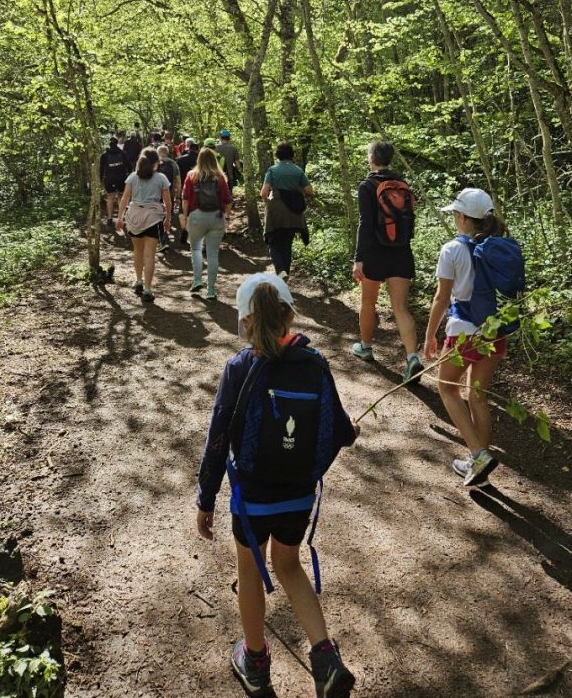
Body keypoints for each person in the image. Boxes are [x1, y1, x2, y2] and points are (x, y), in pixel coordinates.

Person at [196, 274, 358, 698]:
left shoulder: (239, 367)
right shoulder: (316, 363)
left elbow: (217, 438)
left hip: (252, 498)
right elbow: (338, 429)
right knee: (289, 565)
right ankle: (325, 658)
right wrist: (351, 431)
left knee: (251, 570)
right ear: (290, 314)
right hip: (298, 494)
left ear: (245, 321)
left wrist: (206, 497)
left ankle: (255, 663)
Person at [423, 188, 522, 486]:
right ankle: (478, 469)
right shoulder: (499, 246)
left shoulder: (452, 250)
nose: (454, 217)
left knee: (447, 390)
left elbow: (441, 298)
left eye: (455, 213)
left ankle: (479, 454)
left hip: (464, 333)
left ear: (463, 217)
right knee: (477, 395)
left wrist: (429, 336)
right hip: (494, 331)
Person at [351, 141, 423, 385]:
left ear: (371, 157)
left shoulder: (367, 186)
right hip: (401, 250)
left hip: (374, 253)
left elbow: (365, 223)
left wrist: (358, 258)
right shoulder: (403, 185)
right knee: (400, 307)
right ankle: (412, 357)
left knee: (368, 302)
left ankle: (366, 347)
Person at [116, 148, 172, 302]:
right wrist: (168, 218)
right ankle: (148, 289)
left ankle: (138, 281)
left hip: (134, 217)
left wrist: (119, 218)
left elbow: (125, 199)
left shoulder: (132, 177)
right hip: (153, 218)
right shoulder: (161, 178)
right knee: (150, 255)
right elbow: (167, 201)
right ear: (156, 163)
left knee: (138, 251)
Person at [182, 147, 231, 300]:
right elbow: (227, 200)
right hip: (216, 217)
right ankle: (211, 290)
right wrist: (226, 217)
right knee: (212, 254)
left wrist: (185, 216)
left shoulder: (191, 176)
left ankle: (197, 279)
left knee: (196, 249)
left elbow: (185, 199)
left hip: (197, 216)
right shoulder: (220, 177)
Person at [260, 142, 312, 281]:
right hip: (293, 211)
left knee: (273, 240)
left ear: (278, 155)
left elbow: (264, 192)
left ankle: (280, 269)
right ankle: (285, 273)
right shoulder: (298, 170)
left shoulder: (272, 170)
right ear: (292, 155)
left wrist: (269, 203)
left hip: (276, 208)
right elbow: (309, 191)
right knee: (287, 243)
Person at [99, 136, 132, 226]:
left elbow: (101, 169)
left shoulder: (104, 155)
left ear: (109, 144)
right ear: (117, 143)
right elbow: (129, 167)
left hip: (109, 179)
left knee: (110, 197)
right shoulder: (122, 153)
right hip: (121, 179)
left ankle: (110, 218)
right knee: (121, 197)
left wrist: (101, 179)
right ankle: (121, 217)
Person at [157, 144, 182, 248]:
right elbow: (178, 181)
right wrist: (178, 195)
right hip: (169, 191)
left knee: (158, 213)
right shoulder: (173, 163)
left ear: (158, 153)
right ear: (167, 153)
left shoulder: (154, 163)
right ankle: (166, 229)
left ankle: (161, 236)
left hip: (156, 193)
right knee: (168, 212)